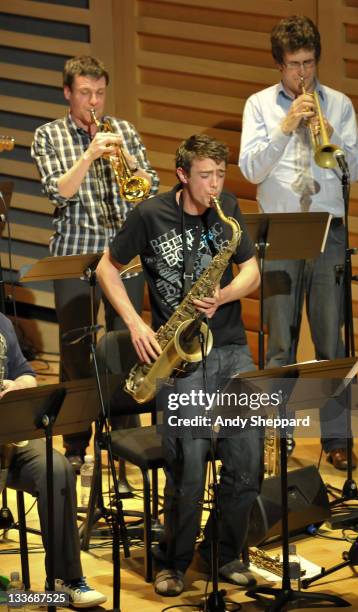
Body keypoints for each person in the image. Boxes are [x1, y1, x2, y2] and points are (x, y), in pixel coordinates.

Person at [96, 134, 263, 596]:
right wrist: (134, 324)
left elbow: (251, 268)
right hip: (177, 358)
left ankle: (225, 553)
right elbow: (106, 268)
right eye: (205, 176)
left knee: (247, 461)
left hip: (229, 346)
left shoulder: (227, 209)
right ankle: (172, 561)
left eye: (220, 175)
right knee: (187, 470)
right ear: (183, 175)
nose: (215, 185)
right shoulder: (150, 215)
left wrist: (226, 294)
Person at [239, 15, 358, 470]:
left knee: (332, 341)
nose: (303, 73)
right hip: (281, 234)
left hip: (329, 230)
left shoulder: (340, 104)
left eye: (309, 63)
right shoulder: (258, 107)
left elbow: (355, 172)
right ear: (279, 65)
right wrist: (286, 126)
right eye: (294, 65)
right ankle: (279, 437)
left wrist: (326, 131)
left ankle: (337, 439)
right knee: (279, 347)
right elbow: (251, 170)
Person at [31, 55, 159, 471]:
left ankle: (125, 442)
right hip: (74, 256)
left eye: (100, 93)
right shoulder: (48, 135)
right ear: (68, 92)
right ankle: (74, 446)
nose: (94, 102)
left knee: (126, 347)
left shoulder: (123, 130)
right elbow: (59, 192)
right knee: (76, 354)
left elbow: (148, 188)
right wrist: (88, 156)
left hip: (123, 258)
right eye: (85, 93)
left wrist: (129, 161)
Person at [0, 312, 107, 608]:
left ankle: (65, 578)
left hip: (9, 434)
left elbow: (26, 372)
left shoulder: (2, 323)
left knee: (56, 468)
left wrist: (17, 387)